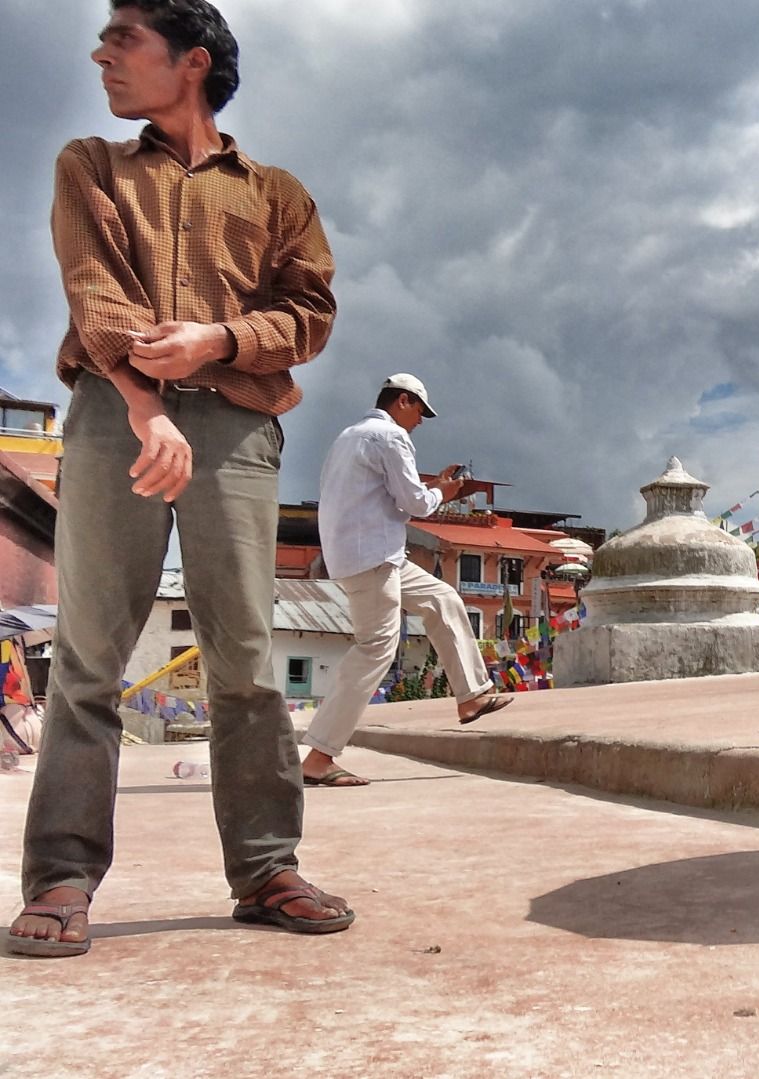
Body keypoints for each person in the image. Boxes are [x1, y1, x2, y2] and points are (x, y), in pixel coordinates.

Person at [10, 0, 352, 958]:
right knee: (88, 658)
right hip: (115, 418)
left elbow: (310, 312)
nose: (102, 55)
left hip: (238, 430)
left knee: (245, 659)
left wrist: (222, 340)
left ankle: (266, 865)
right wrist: (144, 403)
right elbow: (95, 291)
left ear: (191, 61)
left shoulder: (276, 193)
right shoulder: (92, 164)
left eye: (125, 41)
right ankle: (64, 873)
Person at [298, 374, 513, 788]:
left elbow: (392, 495)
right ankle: (319, 756)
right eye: (420, 412)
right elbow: (414, 503)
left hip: (370, 554)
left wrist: (434, 487)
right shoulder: (390, 437)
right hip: (373, 556)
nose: (420, 422)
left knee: (443, 599)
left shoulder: (350, 436)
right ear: (403, 401)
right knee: (375, 649)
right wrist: (443, 494)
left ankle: (472, 696)